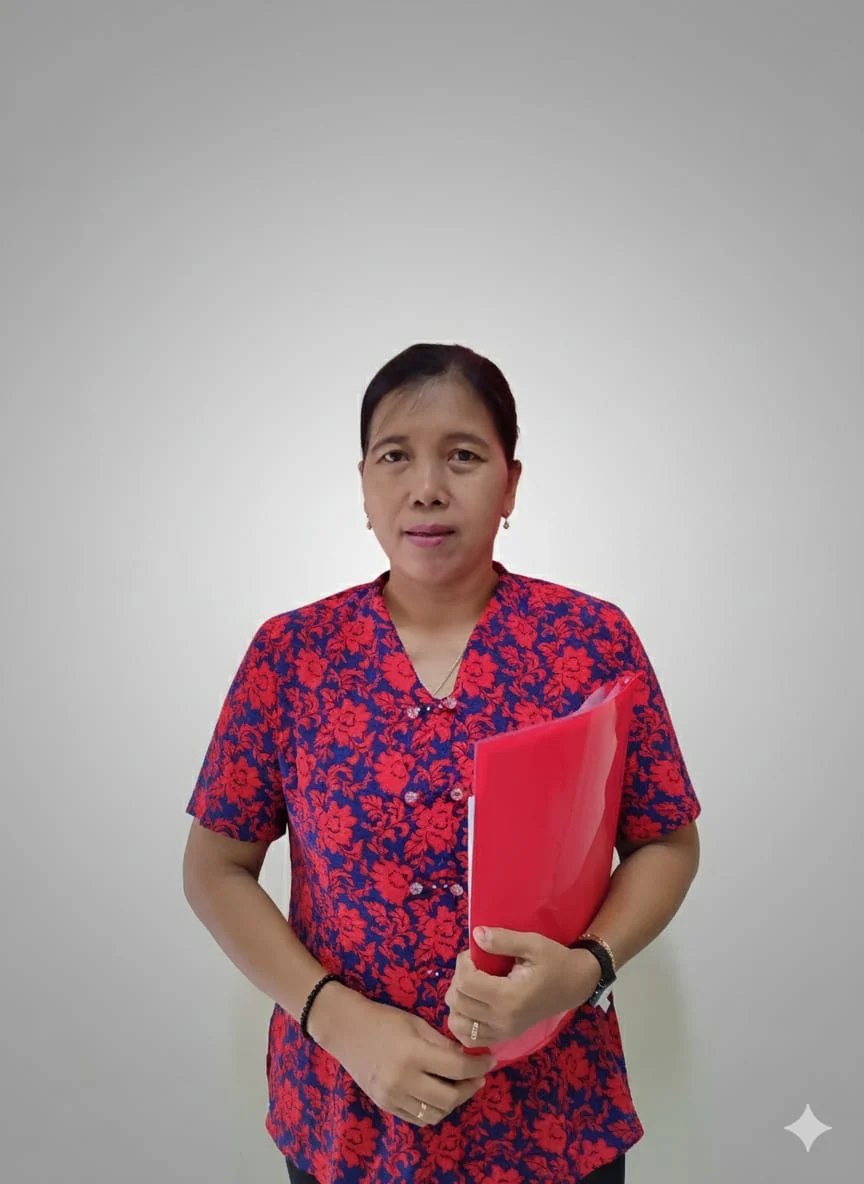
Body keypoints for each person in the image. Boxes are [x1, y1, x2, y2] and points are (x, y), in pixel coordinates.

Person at [182, 343, 702, 1184]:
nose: (426, 487)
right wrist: (340, 1022)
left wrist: (584, 970)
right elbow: (214, 868)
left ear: (511, 483)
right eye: (395, 457)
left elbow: (667, 841)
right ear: (363, 484)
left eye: (462, 456)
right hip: (346, 1116)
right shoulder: (292, 655)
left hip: (553, 1117)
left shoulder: (591, 641)